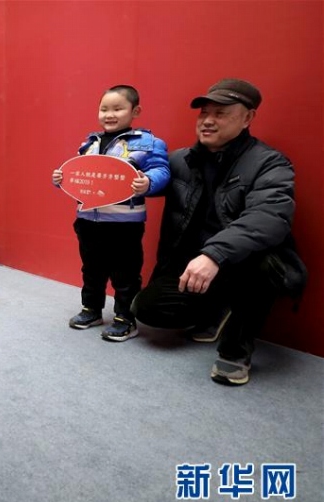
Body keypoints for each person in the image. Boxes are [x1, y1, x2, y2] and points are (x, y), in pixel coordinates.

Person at [131, 78, 307, 386]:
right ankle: (215, 307)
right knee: (149, 311)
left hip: (239, 266)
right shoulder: (180, 160)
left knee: (265, 262)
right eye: (204, 113)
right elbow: (148, 180)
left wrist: (214, 254)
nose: (208, 121)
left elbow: (269, 217)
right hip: (193, 267)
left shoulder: (270, 163)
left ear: (248, 118)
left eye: (221, 113)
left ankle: (235, 351)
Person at [53, 85, 170, 342]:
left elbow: (162, 171)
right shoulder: (90, 142)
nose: (109, 114)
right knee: (91, 268)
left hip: (124, 223)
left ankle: (125, 318)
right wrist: (61, 178)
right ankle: (91, 310)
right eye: (104, 109)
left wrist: (148, 182)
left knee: (125, 272)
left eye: (118, 108)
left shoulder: (149, 143)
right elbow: (77, 174)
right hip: (88, 220)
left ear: (135, 110)